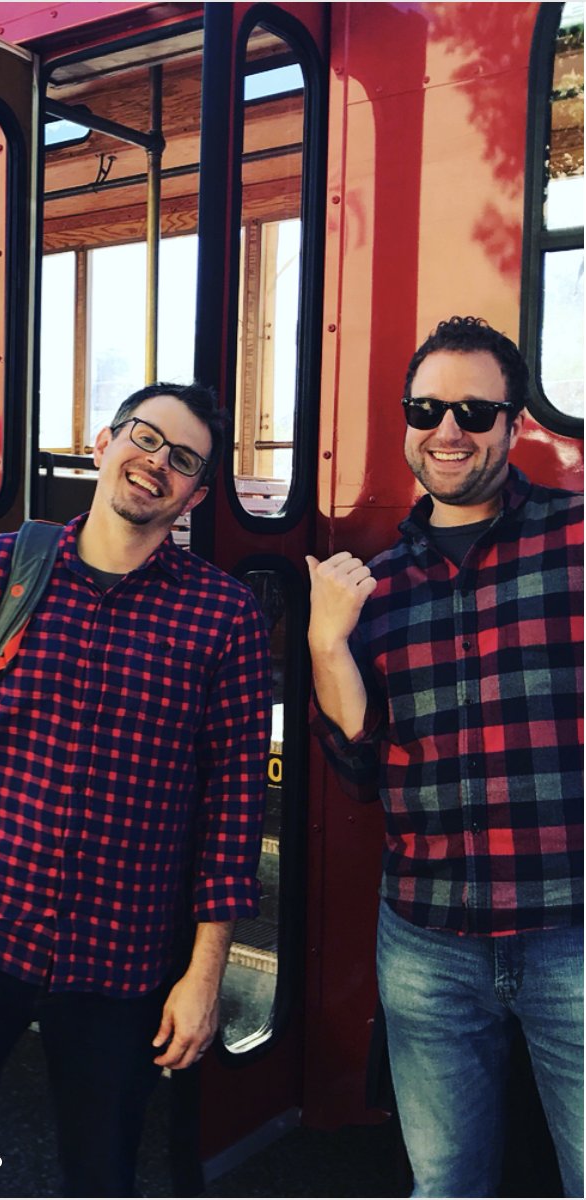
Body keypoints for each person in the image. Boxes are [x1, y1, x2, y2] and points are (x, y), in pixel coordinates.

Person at [0, 382, 271, 1197]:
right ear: (101, 443)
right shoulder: (0, 571)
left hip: (122, 961)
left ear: (196, 494)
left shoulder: (222, 618)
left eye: (182, 460)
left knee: (103, 1178)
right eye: (144, 439)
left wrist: (205, 974)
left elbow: (232, 809)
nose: (156, 464)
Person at [307, 316, 583, 1198]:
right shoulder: (377, 587)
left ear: (513, 424)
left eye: (473, 409)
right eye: (426, 409)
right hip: (428, 941)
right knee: (447, 1184)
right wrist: (326, 648)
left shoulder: (578, 538)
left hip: (573, 929)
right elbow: (361, 773)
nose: (447, 431)